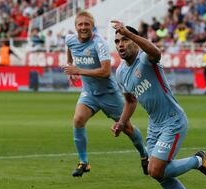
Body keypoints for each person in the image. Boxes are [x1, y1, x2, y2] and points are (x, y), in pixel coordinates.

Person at [111, 20, 206, 189]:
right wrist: (121, 123)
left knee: (155, 169)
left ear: (134, 40)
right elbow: (131, 101)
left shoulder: (145, 59)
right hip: (154, 125)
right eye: (117, 41)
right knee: (158, 174)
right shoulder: (121, 73)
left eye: (125, 39)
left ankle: (198, 160)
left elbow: (156, 52)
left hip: (173, 121)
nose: (120, 44)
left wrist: (130, 33)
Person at [62, 11, 148, 177]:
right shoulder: (70, 39)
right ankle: (83, 162)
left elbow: (106, 72)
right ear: (75, 27)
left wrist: (77, 70)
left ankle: (144, 154)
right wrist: (69, 64)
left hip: (109, 94)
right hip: (89, 93)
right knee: (78, 119)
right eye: (80, 24)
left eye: (87, 24)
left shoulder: (99, 44)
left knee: (127, 128)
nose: (83, 27)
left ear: (92, 26)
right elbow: (69, 48)